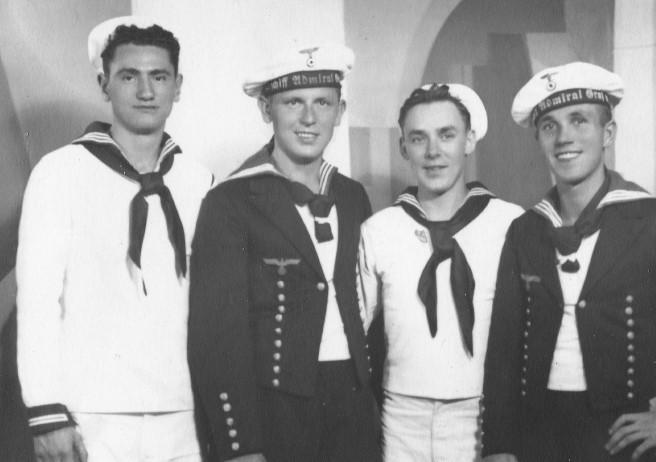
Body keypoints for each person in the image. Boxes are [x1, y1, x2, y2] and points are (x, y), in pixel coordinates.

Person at [481, 61, 656, 462]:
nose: (564, 137)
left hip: (620, 437)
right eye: (550, 126)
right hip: (539, 435)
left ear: (608, 133)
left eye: (579, 120)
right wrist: (498, 445)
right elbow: (504, 348)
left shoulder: (654, 221)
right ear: (539, 139)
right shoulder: (526, 230)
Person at [16, 16, 212, 462]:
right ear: (104, 84)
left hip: (184, 413)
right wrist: (46, 412)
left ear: (178, 86)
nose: (146, 91)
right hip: (91, 415)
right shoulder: (60, 172)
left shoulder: (199, 180)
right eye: (128, 76)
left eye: (159, 76)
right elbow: (38, 302)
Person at [188, 43, 381, 462]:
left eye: (322, 103)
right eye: (293, 102)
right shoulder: (230, 201)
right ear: (266, 110)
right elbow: (218, 338)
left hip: (353, 404)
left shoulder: (352, 195)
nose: (309, 118)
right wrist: (241, 445)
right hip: (275, 409)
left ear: (340, 112)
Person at [357, 83, 523, 461]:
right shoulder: (380, 229)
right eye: (419, 139)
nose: (433, 152)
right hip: (400, 418)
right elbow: (353, 330)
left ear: (469, 140)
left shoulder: (510, 223)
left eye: (446, 135)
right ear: (403, 148)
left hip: (480, 415)